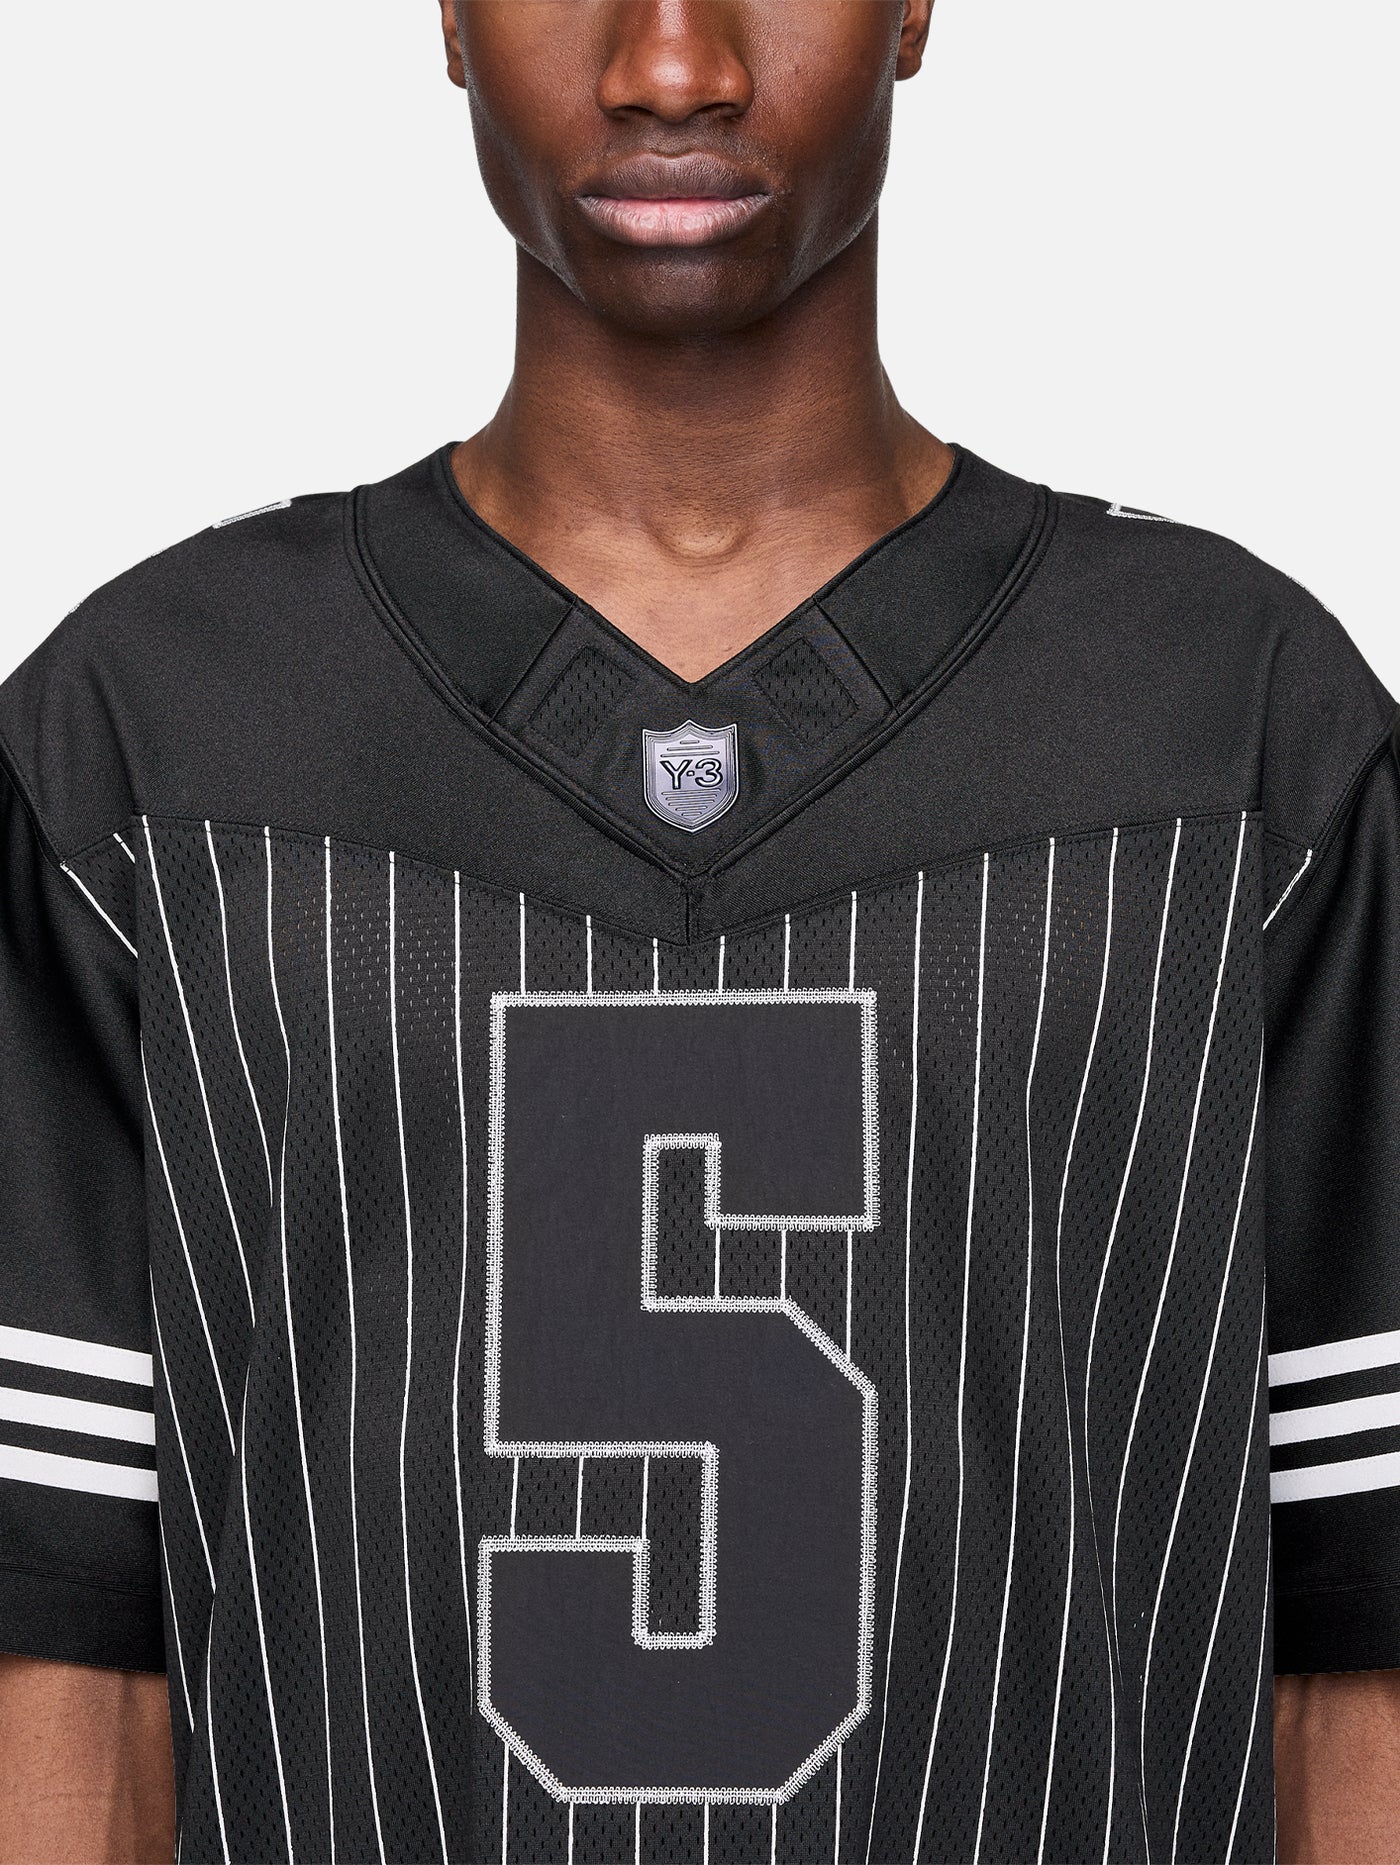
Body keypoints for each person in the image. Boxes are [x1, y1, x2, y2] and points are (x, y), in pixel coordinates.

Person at [1, 2, 1396, 1859]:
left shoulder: (1232, 734)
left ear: (915, 8)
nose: (674, 67)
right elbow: (64, 1642)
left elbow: (1358, 1632)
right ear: (446, 14)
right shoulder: (152, 744)